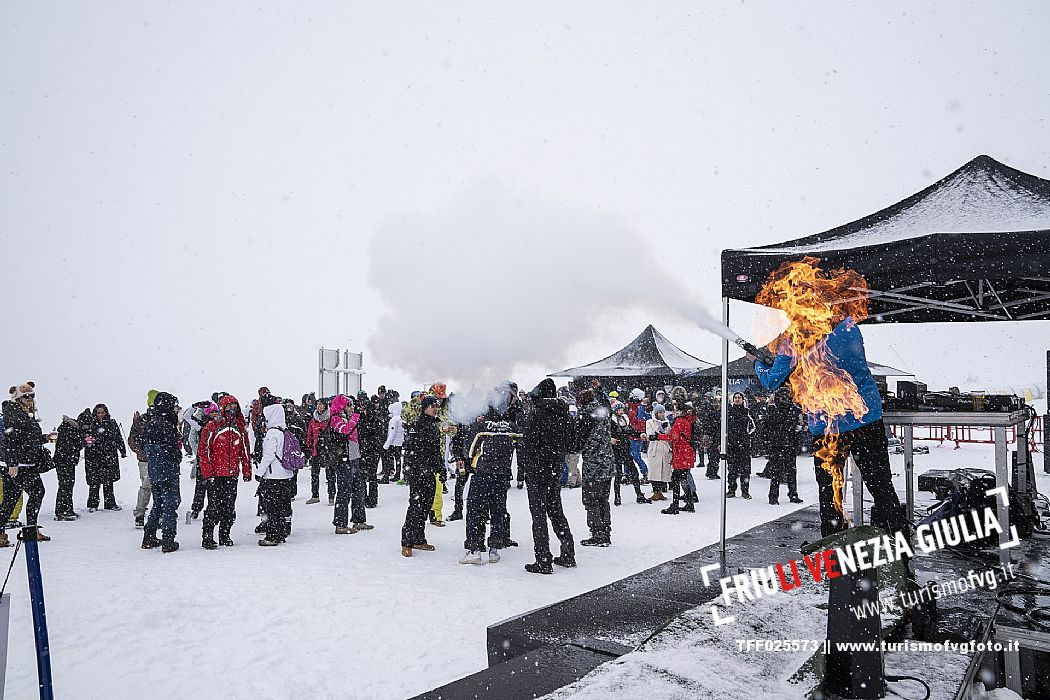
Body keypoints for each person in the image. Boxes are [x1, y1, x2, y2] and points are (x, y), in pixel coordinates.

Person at [460, 383, 519, 565]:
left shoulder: (481, 425)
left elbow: (468, 451)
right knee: (498, 511)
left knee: (475, 511)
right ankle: (494, 548)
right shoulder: (511, 426)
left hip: (483, 473)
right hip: (502, 474)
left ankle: (475, 549)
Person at [520, 379, 575, 575]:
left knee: (538, 514)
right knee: (555, 510)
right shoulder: (564, 413)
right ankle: (568, 552)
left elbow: (529, 444)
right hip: (555, 466)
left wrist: (529, 461)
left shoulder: (536, 414)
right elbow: (571, 442)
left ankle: (543, 560)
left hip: (537, 468)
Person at [0, 382, 52, 545]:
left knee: (32, 494)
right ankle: (14, 531)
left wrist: (45, 438)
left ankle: (30, 530)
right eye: (25, 396)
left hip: (27, 465)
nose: (29, 399)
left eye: (32, 396)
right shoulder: (12, 413)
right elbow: (8, 440)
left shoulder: (26, 414)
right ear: (18, 399)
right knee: (13, 499)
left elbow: (27, 438)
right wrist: (12, 463)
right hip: (17, 466)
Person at [197, 394, 252, 549]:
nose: (232, 410)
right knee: (213, 507)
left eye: (235, 407)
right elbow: (204, 452)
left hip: (232, 474)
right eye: (229, 407)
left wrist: (247, 471)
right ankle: (207, 536)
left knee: (229, 507)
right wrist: (208, 473)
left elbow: (245, 452)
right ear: (222, 408)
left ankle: (225, 534)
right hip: (215, 475)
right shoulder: (212, 427)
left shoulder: (239, 429)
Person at [400, 395, 442, 557]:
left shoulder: (434, 425)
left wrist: (440, 469)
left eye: (436, 406)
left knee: (426, 504)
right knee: (415, 506)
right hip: (418, 472)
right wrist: (412, 470)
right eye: (432, 406)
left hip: (429, 471)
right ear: (425, 407)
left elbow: (435, 450)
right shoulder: (417, 425)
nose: (435, 408)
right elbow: (411, 450)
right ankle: (407, 541)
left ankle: (419, 538)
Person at [141, 392, 183, 553]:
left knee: (158, 504)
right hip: (168, 471)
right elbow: (172, 451)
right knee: (170, 505)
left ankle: (149, 536)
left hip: (155, 471)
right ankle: (168, 540)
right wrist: (176, 457)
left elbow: (147, 447)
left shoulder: (151, 423)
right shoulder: (166, 425)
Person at [325, 394, 373, 535]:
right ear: (342, 407)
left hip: (354, 458)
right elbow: (345, 430)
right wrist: (356, 416)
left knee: (359, 489)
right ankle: (340, 524)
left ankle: (359, 520)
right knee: (344, 491)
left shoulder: (350, 418)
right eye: (349, 405)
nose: (352, 408)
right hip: (343, 460)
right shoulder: (335, 419)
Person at [576, 390, 614, 547]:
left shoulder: (585, 416)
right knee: (603, 500)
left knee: (591, 501)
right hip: (607, 463)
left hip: (593, 465)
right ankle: (606, 531)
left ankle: (597, 533)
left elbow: (579, 441)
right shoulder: (604, 413)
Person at [255, 402, 296, 546]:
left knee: (272, 507)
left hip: (273, 476)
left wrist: (259, 472)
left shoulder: (272, 433)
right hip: (286, 474)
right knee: (283, 506)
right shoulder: (285, 431)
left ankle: (272, 536)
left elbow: (268, 455)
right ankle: (281, 532)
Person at [761, 388, 804, 505]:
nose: (784, 398)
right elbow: (766, 428)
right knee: (776, 472)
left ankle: (793, 494)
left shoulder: (794, 410)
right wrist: (768, 444)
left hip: (789, 445)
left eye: (786, 396)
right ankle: (773, 496)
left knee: (791, 471)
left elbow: (798, 429)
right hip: (777, 445)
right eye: (782, 396)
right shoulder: (773, 410)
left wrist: (797, 444)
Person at [84, 404, 126, 512]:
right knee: (94, 482)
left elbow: (118, 437)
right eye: (98, 412)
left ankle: (110, 503)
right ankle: (93, 504)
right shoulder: (90, 424)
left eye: (102, 412)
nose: (100, 415)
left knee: (108, 481)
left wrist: (122, 450)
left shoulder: (112, 423)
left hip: (109, 455)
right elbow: (85, 439)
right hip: (94, 456)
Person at [655, 404, 697, 515]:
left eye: (674, 409)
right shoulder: (688, 420)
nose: (673, 412)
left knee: (676, 479)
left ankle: (675, 505)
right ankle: (689, 503)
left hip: (681, 453)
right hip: (687, 452)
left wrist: (657, 436)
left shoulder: (680, 421)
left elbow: (673, 436)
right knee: (683, 478)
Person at [127, 390, 159, 527]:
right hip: (147, 459)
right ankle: (141, 514)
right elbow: (132, 440)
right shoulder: (141, 420)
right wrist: (141, 452)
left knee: (149, 487)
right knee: (148, 486)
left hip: (155, 459)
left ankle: (148, 513)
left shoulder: (141, 420)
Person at [610, 401, 650, 506]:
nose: (621, 411)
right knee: (618, 475)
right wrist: (610, 439)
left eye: (622, 409)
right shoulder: (611, 421)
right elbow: (606, 434)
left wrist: (640, 434)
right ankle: (617, 498)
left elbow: (631, 431)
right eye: (619, 410)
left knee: (634, 472)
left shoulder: (625, 420)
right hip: (616, 451)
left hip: (625, 450)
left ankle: (639, 494)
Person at [53, 409, 89, 520]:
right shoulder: (68, 429)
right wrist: (84, 442)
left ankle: (67, 509)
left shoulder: (70, 428)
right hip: (64, 461)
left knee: (67, 485)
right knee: (65, 486)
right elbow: (69, 446)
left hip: (67, 461)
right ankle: (62, 511)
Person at [725, 392, 757, 499]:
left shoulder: (747, 412)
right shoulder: (728, 412)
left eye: (739, 398)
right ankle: (731, 489)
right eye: (735, 398)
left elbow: (754, 427)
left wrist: (747, 436)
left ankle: (745, 491)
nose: (737, 399)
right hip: (732, 445)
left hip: (744, 445)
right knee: (732, 469)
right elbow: (724, 428)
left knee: (745, 469)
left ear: (743, 399)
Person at [305, 398, 336, 505]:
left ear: (325, 406)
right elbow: (310, 433)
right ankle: (315, 495)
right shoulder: (313, 419)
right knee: (314, 474)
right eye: (317, 404)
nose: (319, 406)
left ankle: (331, 497)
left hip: (328, 450)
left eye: (321, 404)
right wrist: (309, 445)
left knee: (330, 475)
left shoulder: (330, 418)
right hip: (316, 449)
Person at [359, 395, 387, 509]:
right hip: (369, 450)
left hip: (370, 450)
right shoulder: (373, 419)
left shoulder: (373, 420)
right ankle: (368, 498)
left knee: (370, 476)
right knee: (368, 476)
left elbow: (377, 436)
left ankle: (370, 499)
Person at [643, 403, 672, 501]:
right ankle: (655, 491)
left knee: (663, 472)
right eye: (660, 412)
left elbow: (669, 435)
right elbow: (650, 434)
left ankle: (660, 492)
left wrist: (666, 428)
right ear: (656, 413)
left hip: (664, 449)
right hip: (655, 448)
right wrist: (659, 428)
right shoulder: (649, 422)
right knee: (654, 471)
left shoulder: (667, 422)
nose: (662, 414)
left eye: (663, 412)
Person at [626, 388, 650, 482]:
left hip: (635, 435)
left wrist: (636, 432)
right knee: (628, 455)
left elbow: (640, 422)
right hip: (630, 434)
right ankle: (628, 474)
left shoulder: (639, 408)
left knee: (636, 456)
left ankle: (645, 473)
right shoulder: (632, 407)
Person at [381, 397, 405, 484]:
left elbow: (392, 434)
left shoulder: (393, 420)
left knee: (388, 460)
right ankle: (397, 475)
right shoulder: (401, 418)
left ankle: (386, 476)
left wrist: (386, 445)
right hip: (399, 443)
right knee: (398, 460)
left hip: (393, 443)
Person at [696, 398, 721, 479]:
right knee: (714, 456)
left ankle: (711, 471)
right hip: (713, 436)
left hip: (713, 436)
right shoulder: (713, 414)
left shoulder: (711, 413)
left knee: (714, 457)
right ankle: (711, 472)